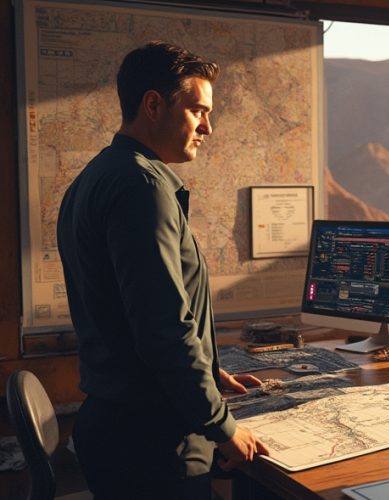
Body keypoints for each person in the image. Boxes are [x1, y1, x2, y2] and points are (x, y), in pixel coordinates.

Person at [57, 41, 269, 499]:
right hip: (153, 441)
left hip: (121, 425)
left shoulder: (97, 175)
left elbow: (137, 310)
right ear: (153, 105)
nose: (207, 127)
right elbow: (163, 328)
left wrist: (210, 376)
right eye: (197, 110)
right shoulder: (141, 186)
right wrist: (220, 423)